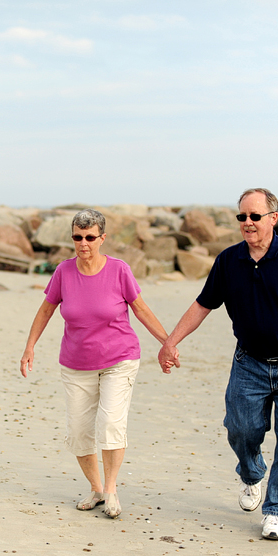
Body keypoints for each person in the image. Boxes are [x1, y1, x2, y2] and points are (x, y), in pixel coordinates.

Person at [158, 188, 278, 540]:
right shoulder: (228, 262)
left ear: (273, 218)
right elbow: (202, 306)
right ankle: (252, 473)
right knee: (240, 429)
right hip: (249, 365)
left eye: (255, 216)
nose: (248, 223)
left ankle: (275, 512)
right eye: (242, 217)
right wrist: (171, 341)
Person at [20, 208, 174, 519]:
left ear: (102, 238)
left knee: (111, 423)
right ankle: (97, 488)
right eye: (77, 237)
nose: (83, 243)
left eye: (90, 237)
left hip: (119, 359)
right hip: (76, 364)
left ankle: (113, 489)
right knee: (79, 432)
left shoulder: (118, 270)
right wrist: (30, 346)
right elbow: (46, 310)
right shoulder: (63, 272)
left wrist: (167, 343)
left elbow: (141, 310)